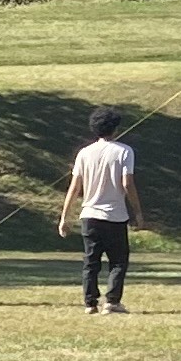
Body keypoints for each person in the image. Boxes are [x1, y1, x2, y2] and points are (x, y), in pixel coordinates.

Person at [58, 107, 143, 314]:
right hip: (115, 216)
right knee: (118, 261)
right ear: (114, 128)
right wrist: (138, 212)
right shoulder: (124, 151)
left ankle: (90, 303)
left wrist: (64, 217)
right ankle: (112, 301)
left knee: (91, 261)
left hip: (89, 216)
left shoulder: (84, 153)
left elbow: (75, 187)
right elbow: (127, 183)